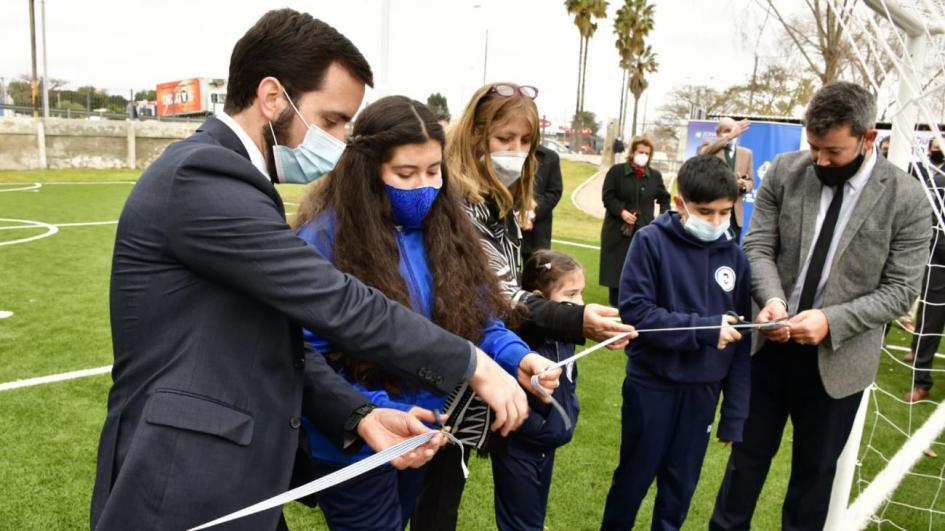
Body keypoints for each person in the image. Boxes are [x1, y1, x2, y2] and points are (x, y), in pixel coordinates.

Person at [90, 11, 527, 531]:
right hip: (183, 480)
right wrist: (472, 362)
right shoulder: (202, 175)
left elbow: (278, 344)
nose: (341, 141)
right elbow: (337, 302)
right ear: (273, 98)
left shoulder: (239, 184)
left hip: (240, 477)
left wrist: (360, 414)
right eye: (332, 121)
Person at [287, 95, 559, 531]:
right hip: (357, 443)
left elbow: (476, 319)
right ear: (368, 173)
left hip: (427, 430)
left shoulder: (445, 227)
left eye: (433, 171)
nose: (424, 186)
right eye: (405, 173)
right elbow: (303, 353)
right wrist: (372, 411)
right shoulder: (322, 241)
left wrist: (518, 357)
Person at [411, 82, 636, 531]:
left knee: (442, 499)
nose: (516, 151)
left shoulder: (499, 204)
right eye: (504, 139)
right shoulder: (455, 203)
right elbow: (498, 296)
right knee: (429, 501)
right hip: (436, 380)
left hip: (473, 377)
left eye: (525, 141)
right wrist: (576, 317)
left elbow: (499, 302)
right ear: (476, 136)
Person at [711, 81, 932, 531]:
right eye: (813, 146)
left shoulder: (907, 200)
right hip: (767, 349)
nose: (820, 160)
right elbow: (757, 246)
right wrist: (771, 299)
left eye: (833, 150)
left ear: (868, 138)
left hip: (839, 364)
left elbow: (900, 290)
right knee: (743, 468)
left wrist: (831, 321)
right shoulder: (787, 172)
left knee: (813, 483)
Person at [599, 155, 751, 531]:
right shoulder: (650, 242)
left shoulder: (735, 257)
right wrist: (703, 329)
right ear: (680, 203)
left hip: (702, 393)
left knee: (680, 488)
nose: (715, 222)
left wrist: (734, 414)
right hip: (652, 386)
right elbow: (637, 314)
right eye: (705, 211)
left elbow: (741, 340)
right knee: (633, 480)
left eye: (724, 213)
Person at [491, 249, 586, 531]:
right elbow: (507, 395)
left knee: (534, 518)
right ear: (538, 298)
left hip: (545, 444)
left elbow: (568, 385)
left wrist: (566, 415)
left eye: (581, 293)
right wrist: (540, 426)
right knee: (520, 524)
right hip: (518, 449)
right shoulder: (523, 345)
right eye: (570, 295)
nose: (580, 303)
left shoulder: (564, 338)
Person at [599, 135, 670, 307]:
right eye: (640, 152)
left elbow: (664, 197)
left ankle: (638, 301)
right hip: (617, 229)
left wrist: (662, 217)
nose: (643, 155)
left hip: (644, 228)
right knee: (616, 267)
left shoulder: (654, 176)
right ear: (632, 152)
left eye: (647, 153)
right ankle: (615, 304)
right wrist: (622, 211)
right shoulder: (616, 171)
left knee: (641, 266)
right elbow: (608, 197)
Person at [904, 138, 945, 402]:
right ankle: (922, 380)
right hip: (939, 258)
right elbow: (927, 216)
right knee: (931, 318)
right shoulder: (939, 180)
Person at [700, 117, 755, 241]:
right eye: (727, 130)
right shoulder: (711, 149)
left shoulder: (747, 153)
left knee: (731, 252)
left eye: (734, 130)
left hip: (735, 214)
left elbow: (751, 181)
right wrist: (730, 136)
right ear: (718, 133)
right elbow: (704, 154)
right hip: (714, 212)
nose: (732, 133)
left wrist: (744, 184)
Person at [521, 144, 563, 262]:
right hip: (508, 227)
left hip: (538, 231)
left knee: (536, 274)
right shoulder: (507, 154)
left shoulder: (550, 157)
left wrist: (532, 213)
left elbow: (555, 191)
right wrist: (516, 213)